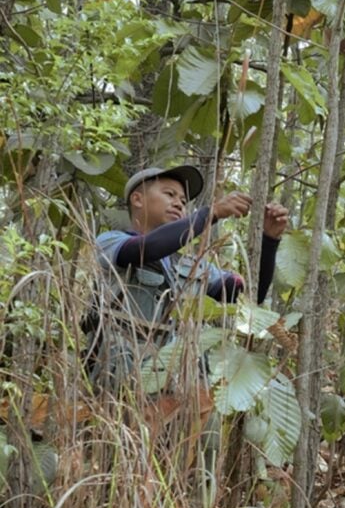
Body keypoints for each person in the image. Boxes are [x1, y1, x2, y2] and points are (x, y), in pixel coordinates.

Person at [89, 165, 288, 387]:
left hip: (178, 389)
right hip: (119, 382)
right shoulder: (110, 241)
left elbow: (249, 293)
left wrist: (269, 241)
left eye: (184, 201)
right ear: (137, 199)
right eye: (169, 194)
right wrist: (210, 213)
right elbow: (147, 249)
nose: (179, 204)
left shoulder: (192, 266)